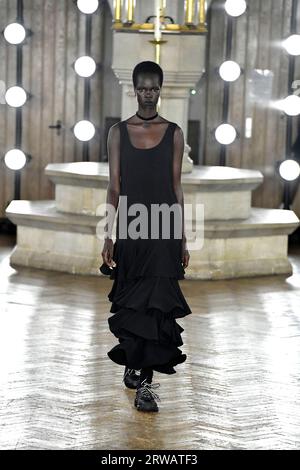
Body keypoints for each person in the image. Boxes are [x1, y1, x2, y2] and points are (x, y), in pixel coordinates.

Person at [100, 60, 192, 412]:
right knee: (132, 301)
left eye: (154, 88)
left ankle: (145, 383)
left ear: (160, 90)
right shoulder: (118, 133)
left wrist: (182, 238)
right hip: (133, 229)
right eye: (143, 88)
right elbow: (114, 187)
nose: (148, 94)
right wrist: (108, 236)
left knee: (157, 305)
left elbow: (177, 187)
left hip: (165, 229)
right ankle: (134, 362)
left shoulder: (174, 132)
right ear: (134, 89)